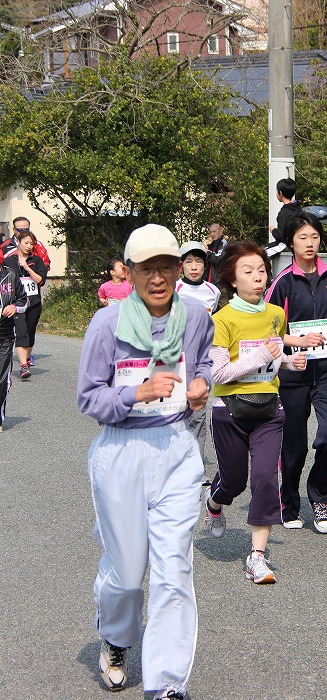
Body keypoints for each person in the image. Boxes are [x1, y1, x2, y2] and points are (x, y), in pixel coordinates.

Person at [77, 223, 213, 699]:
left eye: (166, 267)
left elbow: (203, 363)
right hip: (121, 451)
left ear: (178, 270)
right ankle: (116, 638)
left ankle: (167, 683)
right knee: (127, 573)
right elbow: (89, 398)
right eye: (146, 269)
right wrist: (135, 393)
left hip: (176, 447)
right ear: (129, 272)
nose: (157, 278)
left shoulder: (195, 316)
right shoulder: (107, 324)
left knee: (174, 569)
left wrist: (201, 385)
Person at [204, 241, 306, 584]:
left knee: (265, 478)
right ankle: (214, 501)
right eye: (248, 271)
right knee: (233, 482)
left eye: (262, 270)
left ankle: (257, 557)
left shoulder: (276, 314)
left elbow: (273, 359)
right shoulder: (221, 320)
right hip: (230, 411)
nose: (258, 277)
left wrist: (289, 362)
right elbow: (219, 374)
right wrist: (261, 355)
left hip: (269, 410)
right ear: (233, 279)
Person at [265, 211, 327, 533]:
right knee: (294, 446)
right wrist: (299, 342)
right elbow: (270, 332)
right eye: (302, 237)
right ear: (290, 242)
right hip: (293, 375)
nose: (309, 243)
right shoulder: (282, 283)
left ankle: (320, 498)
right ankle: (289, 503)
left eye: (315, 237)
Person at [176, 240, 221, 484]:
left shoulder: (213, 292)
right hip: (173, 362)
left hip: (200, 363)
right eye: (189, 262)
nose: (194, 267)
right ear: (181, 265)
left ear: (205, 265)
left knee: (198, 416)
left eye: (198, 262)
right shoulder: (173, 289)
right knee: (173, 415)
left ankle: (196, 471)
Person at [3, 230, 48, 379]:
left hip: (34, 302)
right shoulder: (9, 261)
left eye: (32, 244)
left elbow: (41, 281)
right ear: (19, 243)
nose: (29, 246)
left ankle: (26, 360)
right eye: (26, 243)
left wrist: (27, 268)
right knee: (21, 332)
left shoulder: (37, 260)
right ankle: (23, 366)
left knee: (30, 332)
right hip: (17, 304)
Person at [0, 260, 28, 429]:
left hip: (4, 335)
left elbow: (23, 300)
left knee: (1, 378)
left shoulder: (11, 275)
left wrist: (14, 307)